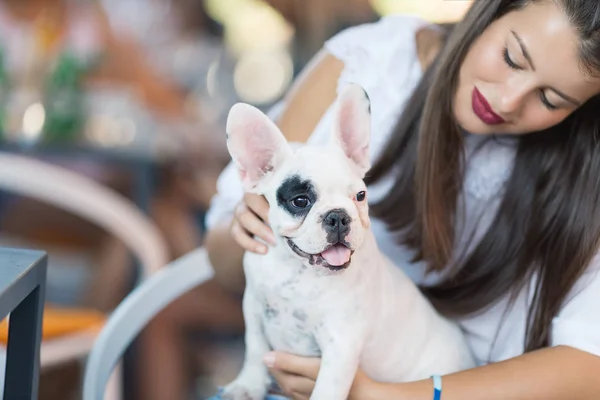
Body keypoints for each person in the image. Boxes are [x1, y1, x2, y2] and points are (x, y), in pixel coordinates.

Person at [144, 0, 600, 399]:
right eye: (511, 57)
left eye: (551, 98)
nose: (507, 99)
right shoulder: (374, 63)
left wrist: (387, 395)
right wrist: (246, 228)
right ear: (489, 9)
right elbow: (226, 258)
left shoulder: (584, 175)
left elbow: (590, 366)